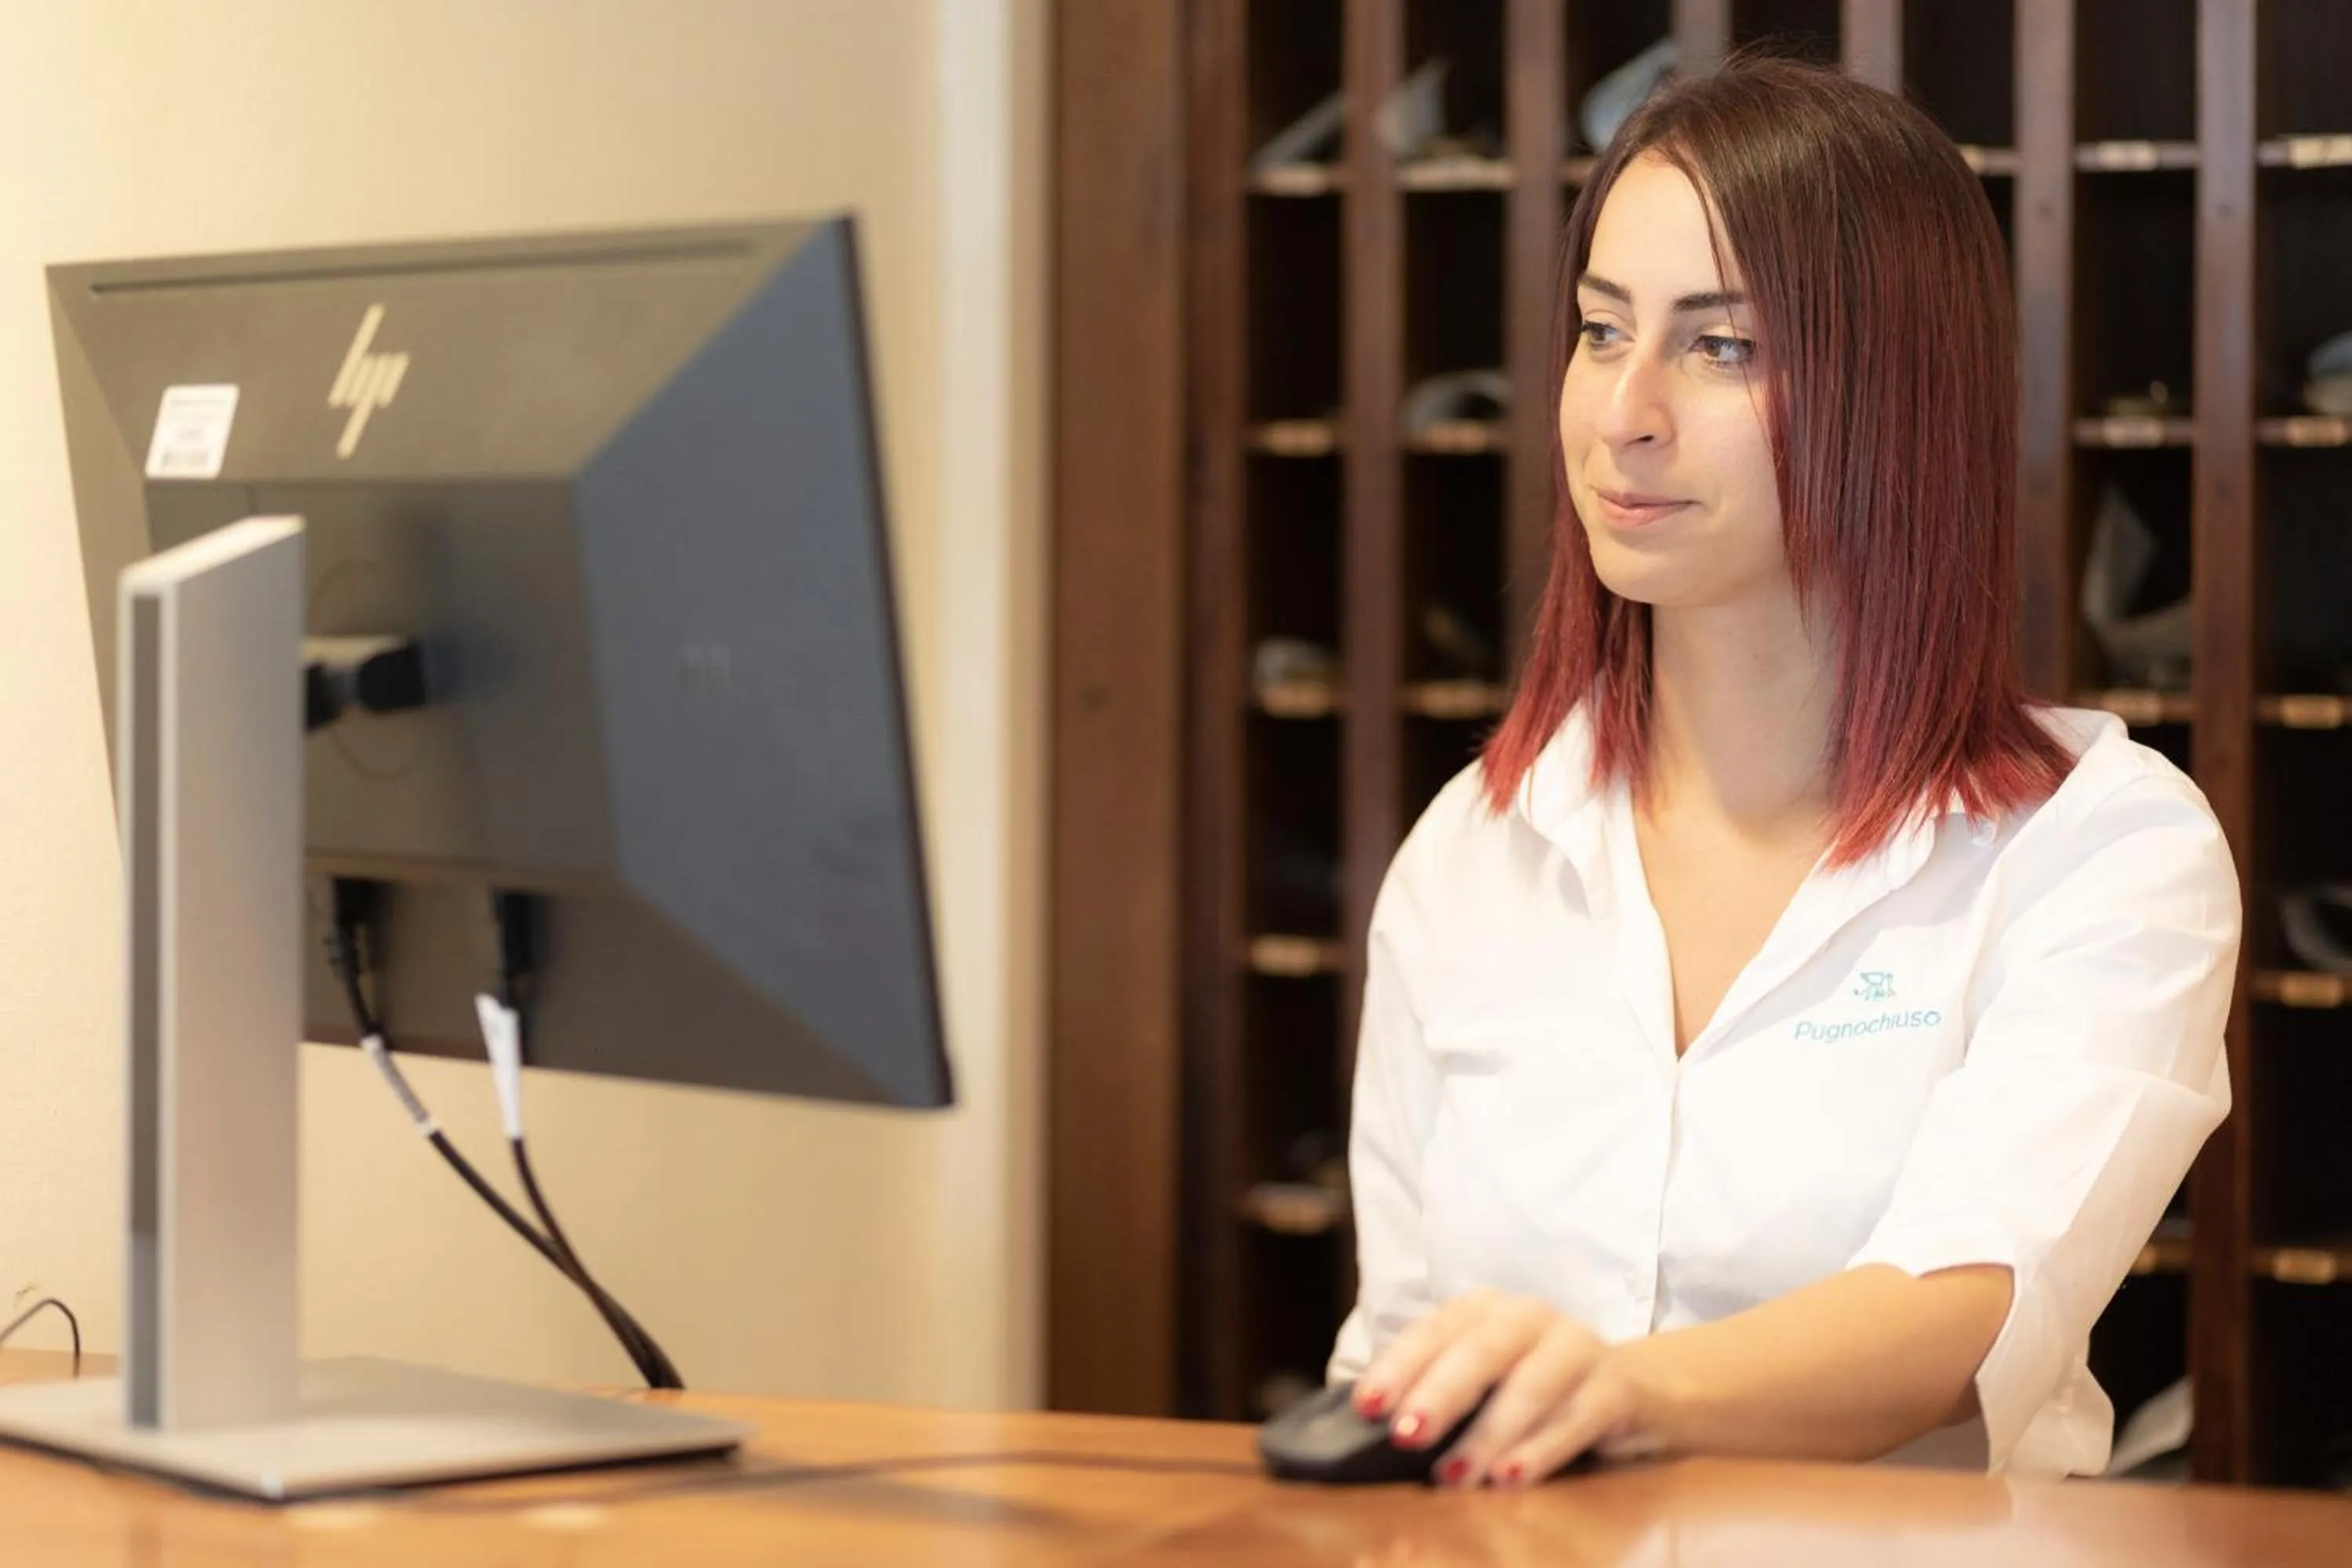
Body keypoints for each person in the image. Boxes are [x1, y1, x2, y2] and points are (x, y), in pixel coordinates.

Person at [1327, 56, 2239, 1486]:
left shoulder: (2107, 848)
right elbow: (1395, 1347)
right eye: (1599, 330)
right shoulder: (1478, 849)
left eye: (1722, 347)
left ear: (1899, 392)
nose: (1623, 411)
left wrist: (1611, 1393)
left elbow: (1963, 1312)